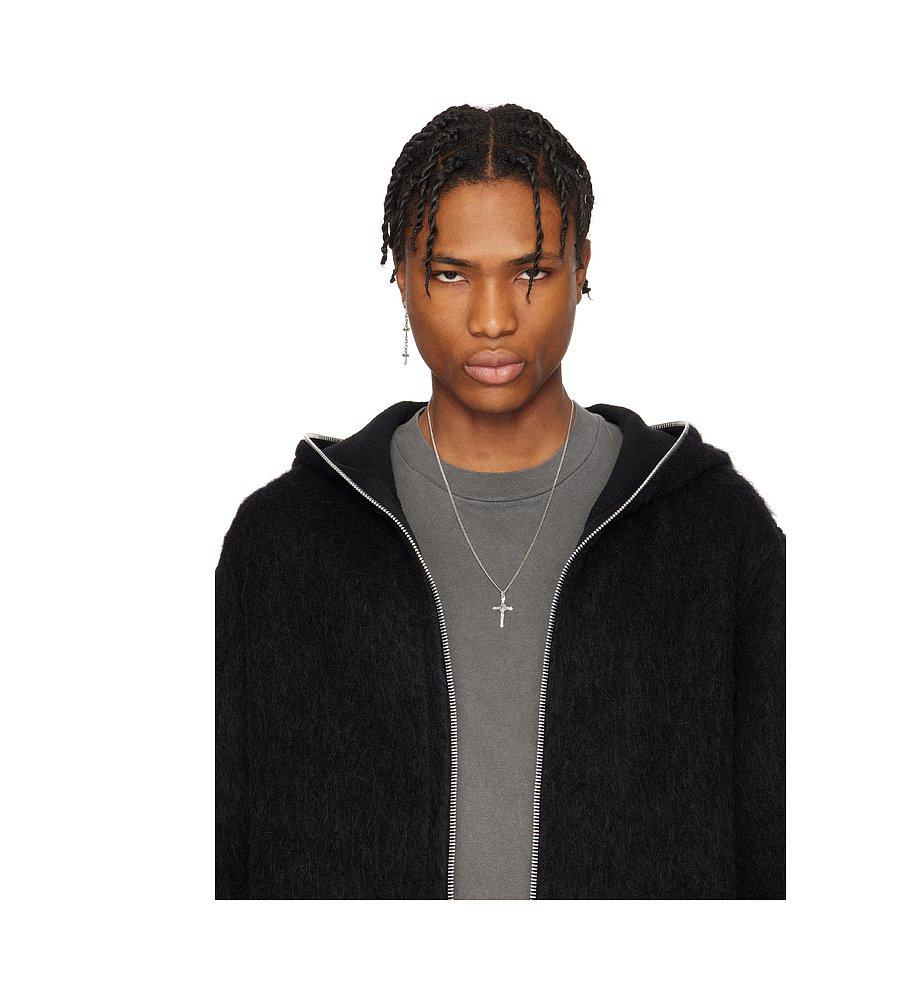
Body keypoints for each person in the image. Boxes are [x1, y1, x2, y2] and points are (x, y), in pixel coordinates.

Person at [215, 103, 785, 900]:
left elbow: (776, 854)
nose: (492, 320)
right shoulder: (283, 544)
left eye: (531, 273)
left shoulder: (716, 536)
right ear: (402, 274)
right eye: (451, 274)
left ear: (582, 267)